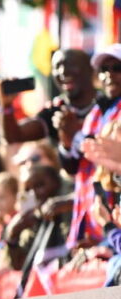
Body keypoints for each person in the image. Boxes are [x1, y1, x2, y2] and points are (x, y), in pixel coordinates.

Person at [58, 44, 121, 250]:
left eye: (116, 68)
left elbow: (105, 149)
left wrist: (75, 135)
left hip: (114, 231)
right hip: (93, 228)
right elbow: (73, 166)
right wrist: (67, 140)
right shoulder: (96, 112)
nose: (109, 75)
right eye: (104, 69)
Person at [0, 49, 96, 147]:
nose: (63, 71)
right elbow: (14, 137)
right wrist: (6, 106)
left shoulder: (107, 105)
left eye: (71, 64)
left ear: (90, 69)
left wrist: (75, 132)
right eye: (57, 67)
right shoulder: (54, 111)